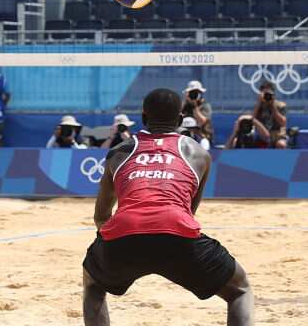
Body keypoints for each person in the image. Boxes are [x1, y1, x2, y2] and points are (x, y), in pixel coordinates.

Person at [82, 88, 253, 326]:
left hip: (125, 230)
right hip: (177, 232)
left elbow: (101, 215)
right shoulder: (199, 153)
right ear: (180, 120)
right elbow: (187, 212)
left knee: (93, 282)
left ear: (143, 117)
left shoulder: (118, 153)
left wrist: (111, 246)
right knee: (240, 289)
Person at [252, 80, 288, 148]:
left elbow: (283, 123)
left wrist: (273, 105)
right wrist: (259, 103)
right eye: (265, 93)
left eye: (269, 94)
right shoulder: (258, 106)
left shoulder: (280, 105)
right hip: (262, 136)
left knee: (281, 144)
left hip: (278, 135)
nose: (267, 96)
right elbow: (252, 120)